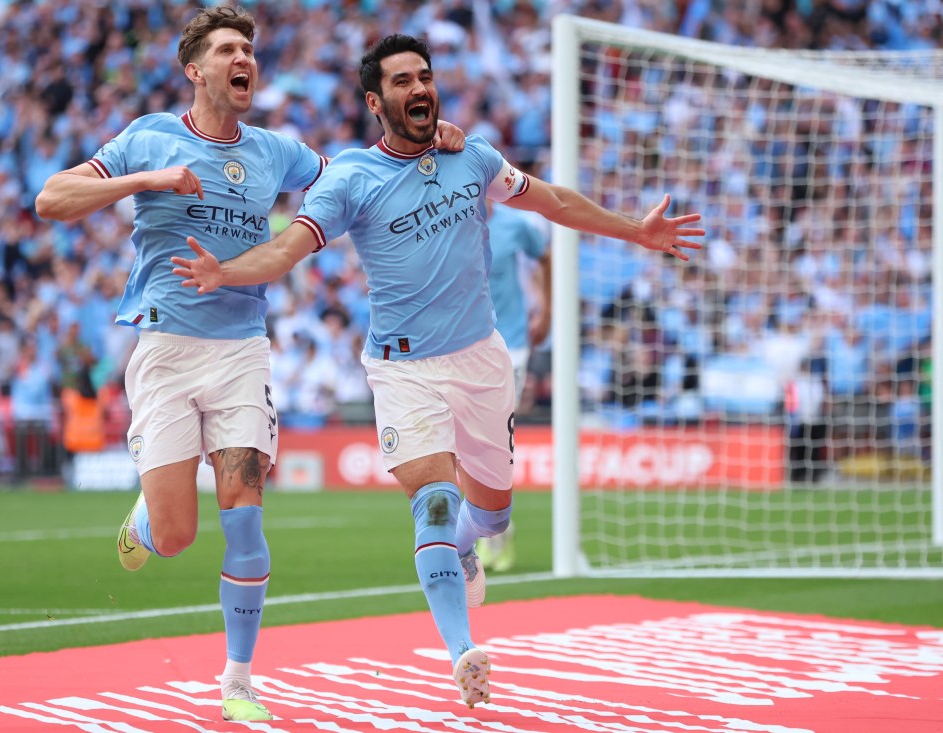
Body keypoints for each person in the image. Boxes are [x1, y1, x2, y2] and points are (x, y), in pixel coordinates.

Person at [171, 33, 704, 709]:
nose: (419, 88)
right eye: (401, 81)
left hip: (483, 360)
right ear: (375, 101)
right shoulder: (352, 181)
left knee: (491, 510)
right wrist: (225, 272)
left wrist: (635, 229)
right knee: (434, 500)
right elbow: (287, 250)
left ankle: (467, 547)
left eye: (425, 77)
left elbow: (551, 202)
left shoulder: (472, 155)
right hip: (403, 370)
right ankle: (463, 650)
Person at [34, 9, 464, 723]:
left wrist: (428, 146)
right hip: (166, 348)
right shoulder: (150, 134)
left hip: (241, 349)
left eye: (251, 50)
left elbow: (358, 176)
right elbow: (52, 198)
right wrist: (149, 178)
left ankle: (238, 679)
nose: (247, 60)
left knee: (244, 515)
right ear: (195, 70)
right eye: (230, 49)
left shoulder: (274, 151)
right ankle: (146, 521)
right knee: (176, 535)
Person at [475, 199, 551, 572]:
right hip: (464, 344)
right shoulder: (449, 220)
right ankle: (490, 524)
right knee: (466, 446)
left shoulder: (516, 225)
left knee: (492, 441)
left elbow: (546, 256)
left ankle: (493, 531)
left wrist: (546, 311)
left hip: (512, 344)